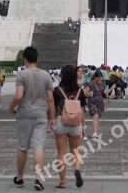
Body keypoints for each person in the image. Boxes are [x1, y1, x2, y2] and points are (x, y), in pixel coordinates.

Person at [9, 46, 54, 191]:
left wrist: (11, 108)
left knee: (23, 147)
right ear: (37, 59)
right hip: (41, 114)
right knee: (38, 146)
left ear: (25, 59)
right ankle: (38, 178)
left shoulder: (22, 75)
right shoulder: (46, 75)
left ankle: (20, 178)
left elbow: (18, 96)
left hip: (24, 114)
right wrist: (51, 117)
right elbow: (51, 100)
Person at [53, 65, 85, 189]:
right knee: (76, 151)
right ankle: (76, 169)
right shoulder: (80, 91)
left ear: (62, 75)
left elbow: (54, 107)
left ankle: (62, 182)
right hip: (76, 122)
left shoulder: (57, 90)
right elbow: (82, 111)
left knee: (61, 152)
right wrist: (83, 127)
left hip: (62, 120)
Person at [84, 70, 114, 139]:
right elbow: (85, 91)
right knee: (95, 116)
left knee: (97, 117)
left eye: (101, 77)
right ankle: (94, 132)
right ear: (95, 77)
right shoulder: (91, 83)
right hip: (92, 102)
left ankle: (95, 132)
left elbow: (105, 92)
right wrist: (89, 93)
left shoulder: (103, 83)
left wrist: (112, 88)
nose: (100, 79)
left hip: (100, 103)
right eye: (98, 78)